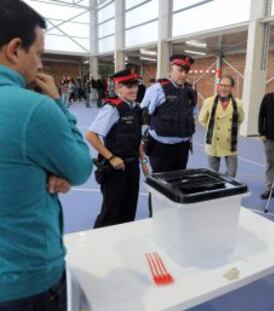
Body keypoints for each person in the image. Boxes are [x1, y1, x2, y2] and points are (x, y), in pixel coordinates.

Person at [0, 1, 92, 309]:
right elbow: (79, 167)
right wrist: (56, 103)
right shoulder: (33, 108)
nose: (40, 64)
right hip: (24, 278)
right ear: (15, 49)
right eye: (38, 53)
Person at [86, 68, 149, 228]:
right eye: (129, 86)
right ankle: (101, 246)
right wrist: (111, 158)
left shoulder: (136, 108)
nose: (134, 90)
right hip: (115, 170)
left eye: (135, 85)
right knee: (111, 212)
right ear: (118, 87)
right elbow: (91, 135)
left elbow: (137, 138)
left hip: (133, 166)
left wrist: (143, 160)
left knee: (129, 210)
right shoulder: (112, 108)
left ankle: (123, 246)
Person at [140, 54, 197, 173]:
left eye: (186, 71)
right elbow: (144, 115)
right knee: (160, 185)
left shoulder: (191, 92)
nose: (183, 74)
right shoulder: (157, 89)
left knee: (179, 182)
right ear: (171, 70)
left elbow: (192, 114)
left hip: (182, 148)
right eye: (180, 70)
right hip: (161, 148)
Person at [199, 75, 244, 177]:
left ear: (232, 87)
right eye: (221, 85)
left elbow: (240, 119)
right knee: (213, 173)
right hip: (213, 141)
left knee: (232, 172)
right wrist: (213, 128)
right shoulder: (208, 101)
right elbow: (202, 119)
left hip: (230, 143)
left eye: (227, 85)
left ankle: (225, 183)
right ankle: (215, 189)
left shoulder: (238, 103)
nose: (223, 88)